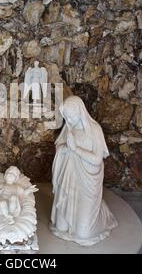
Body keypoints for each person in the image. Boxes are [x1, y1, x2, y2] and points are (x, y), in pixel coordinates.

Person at [50, 95, 118, 246]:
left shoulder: (94, 130)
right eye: (66, 117)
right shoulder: (69, 127)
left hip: (87, 184)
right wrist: (64, 149)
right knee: (60, 226)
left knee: (83, 234)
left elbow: (97, 159)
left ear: (80, 111)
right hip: (69, 184)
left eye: (70, 116)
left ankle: (102, 212)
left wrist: (75, 149)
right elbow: (59, 147)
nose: (69, 120)